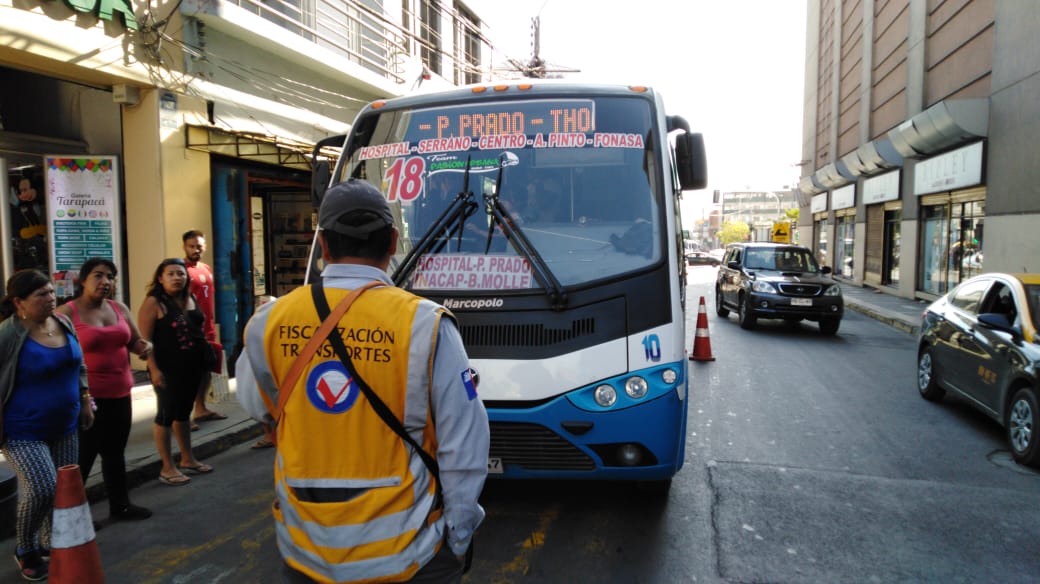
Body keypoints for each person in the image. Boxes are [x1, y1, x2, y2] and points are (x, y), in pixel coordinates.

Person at [236, 178, 490, 583]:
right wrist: (457, 538)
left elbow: (258, 405)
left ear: (323, 245)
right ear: (392, 242)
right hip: (408, 557)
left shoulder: (268, 322)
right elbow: (466, 444)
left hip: (305, 553)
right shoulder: (425, 324)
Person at [0, 269, 92, 581]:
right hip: (22, 430)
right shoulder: (7, 335)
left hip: (65, 424)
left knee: (61, 492)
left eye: (52, 292)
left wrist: (84, 398)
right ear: (18, 302)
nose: (51, 299)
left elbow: (78, 363)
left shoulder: (62, 322)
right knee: (42, 487)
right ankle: (25, 548)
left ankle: (51, 542)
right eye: (41, 295)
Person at [55, 258, 153, 522]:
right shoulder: (66, 314)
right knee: (82, 457)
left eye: (110, 277)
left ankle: (120, 506)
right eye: (98, 276)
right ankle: (70, 516)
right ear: (83, 280)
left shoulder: (118, 308)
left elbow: (133, 341)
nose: (105, 282)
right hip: (87, 398)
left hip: (121, 392)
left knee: (114, 452)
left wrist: (145, 348)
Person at [137, 258, 215, 486]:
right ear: (160, 278)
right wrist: (154, 369)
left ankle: (187, 458)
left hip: (193, 366)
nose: (176, 278)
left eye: (180, 273)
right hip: (167, 368)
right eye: (170, 274)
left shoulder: (189, 297)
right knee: (166, 414)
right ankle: (167, 467)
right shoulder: (154, 303)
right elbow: (145, 341)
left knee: (183, 413)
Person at [182, 230, 226, 428]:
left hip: (208, 328)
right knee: (189, 372)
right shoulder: (181, 270)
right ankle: (185, 414)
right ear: (184, 246)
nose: (195, 250)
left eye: (198, 246)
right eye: (191, 246)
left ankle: (201, 408)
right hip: (192, 330)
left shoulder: (206, 268)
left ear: (204, 246)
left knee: (206, 370)